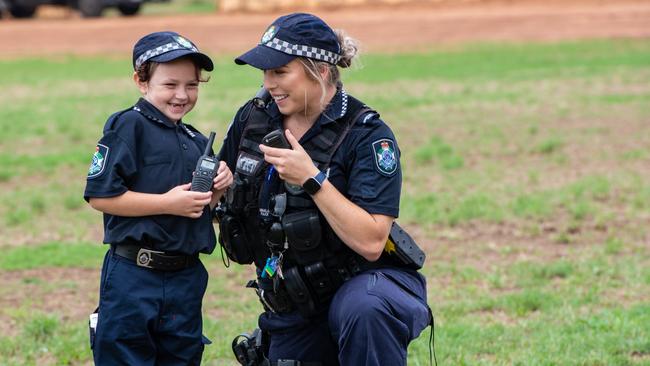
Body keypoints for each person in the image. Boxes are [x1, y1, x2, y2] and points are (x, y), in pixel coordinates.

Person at [217, 13, 431, 366]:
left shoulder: (367, 135)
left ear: (322, 70)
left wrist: (312, 179)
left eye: (280, 71)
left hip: (362, 284)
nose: (269, 83)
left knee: (366, 310)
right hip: (294, 300)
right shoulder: (253, 119)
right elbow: (223, 196)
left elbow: (372, 240)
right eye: (265, 72)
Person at [83, 31, 233, 365]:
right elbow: (101, 196)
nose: (182, 95)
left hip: (185, 277)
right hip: (133, 275)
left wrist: (219, 188)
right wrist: (166, 203)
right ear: (141, 81)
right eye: (170, 85)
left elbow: (198, 210)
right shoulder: (127, 125)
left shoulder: (195, 141)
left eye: (192, 85)